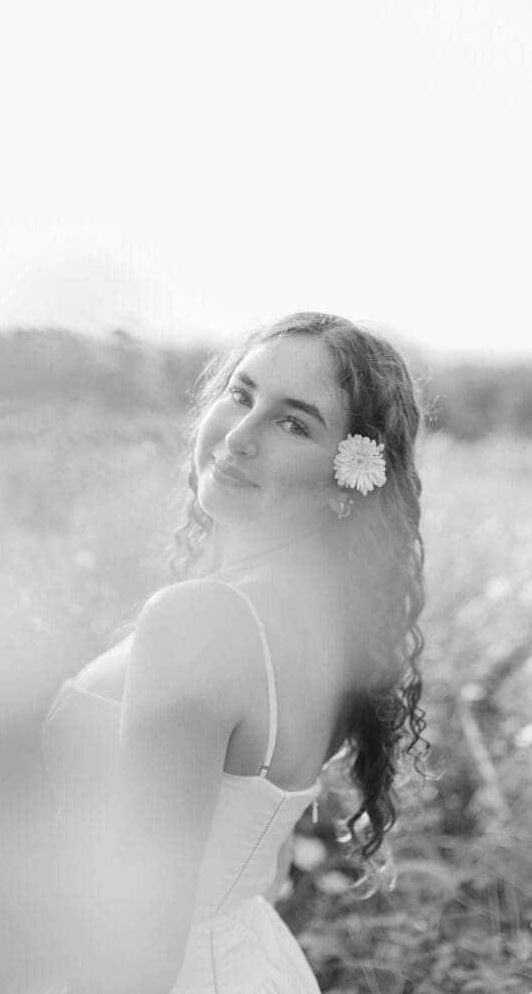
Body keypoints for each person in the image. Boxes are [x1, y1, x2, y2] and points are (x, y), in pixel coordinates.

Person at [42, 312, 429, 994]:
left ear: (351, 477)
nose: (240, 436)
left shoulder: (205, 622)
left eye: (293, 423)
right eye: (241, 394)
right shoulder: (331, 622)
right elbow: (263, 868)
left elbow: (141, 942)